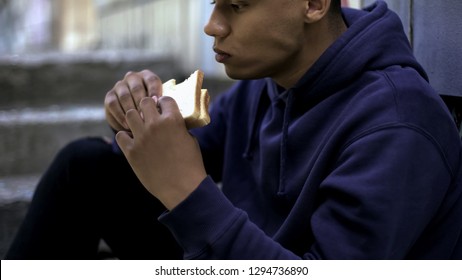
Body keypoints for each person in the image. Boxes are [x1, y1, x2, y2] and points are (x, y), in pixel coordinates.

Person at [6, 0, 462, 259]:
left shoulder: (398, 124)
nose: (212, 25)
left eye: (237, 6)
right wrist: (136, 120)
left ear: (314, 3)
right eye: (214, 3)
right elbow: (172, 155)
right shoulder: (267, 84)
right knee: (85, 167)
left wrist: (186, 190)